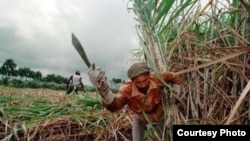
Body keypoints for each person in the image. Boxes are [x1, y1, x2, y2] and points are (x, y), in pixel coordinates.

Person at [88, 62, 180, 141]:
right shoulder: (126, 90)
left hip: (158, 113)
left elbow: (174, 76)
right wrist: (103, 89)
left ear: (149, 75)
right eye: (138, 82)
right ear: (132, 81)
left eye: (145, 80)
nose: (143, 85)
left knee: (166, 137)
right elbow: (114, 106)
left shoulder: (157, 78)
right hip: (140, 117)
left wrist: (176, 88)